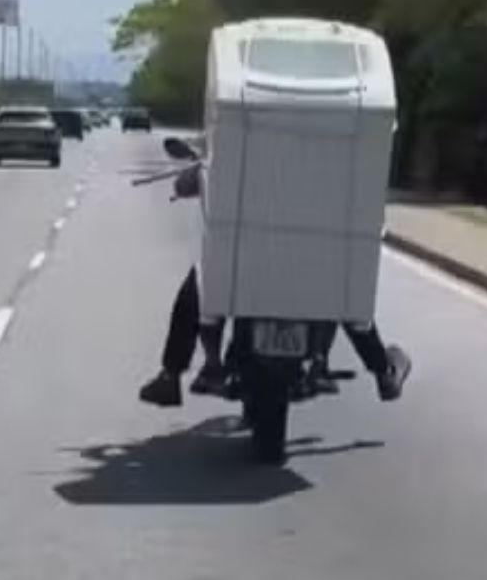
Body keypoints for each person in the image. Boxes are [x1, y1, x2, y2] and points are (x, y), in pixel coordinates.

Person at [137, 166, 412, 407]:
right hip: (318, 268)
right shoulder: (341, 156)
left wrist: (199, 171)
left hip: (247, 265)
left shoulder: (241, 142)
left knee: (200, 282)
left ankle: (173, 375)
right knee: (350, 301)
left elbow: (186, 184)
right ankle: (383, 373)